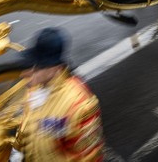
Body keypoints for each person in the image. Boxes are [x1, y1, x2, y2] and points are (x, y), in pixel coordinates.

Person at [13, 27, 105, 162]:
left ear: (56, 68)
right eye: (29, 65)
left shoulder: (79, 105)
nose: (25, 74)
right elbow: (26, 130)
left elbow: (91, 157)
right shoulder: (33, 90)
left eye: (36, 68)